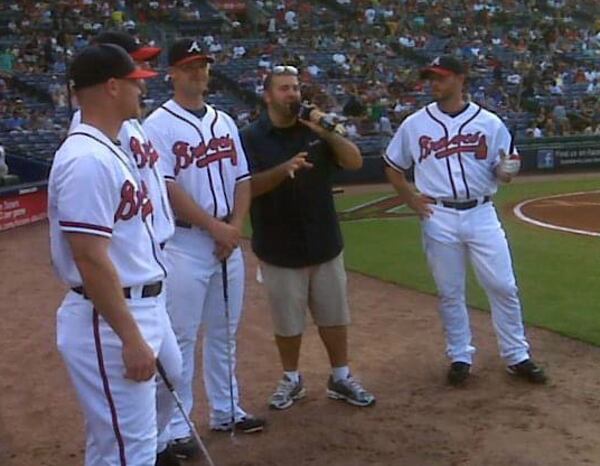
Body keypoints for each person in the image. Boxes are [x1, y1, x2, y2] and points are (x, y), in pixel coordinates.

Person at [48, 44, 182, 466]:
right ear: (111, 87)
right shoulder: (86, 159)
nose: (141, 91)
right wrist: (129, 338)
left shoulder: (108, 148)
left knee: (128, 437)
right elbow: (89, 259)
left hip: (140, 303)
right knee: (130, 451)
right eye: (133, 83)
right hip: (108, 318)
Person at [383, 56, 547, 387]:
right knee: (450, 291)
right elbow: (393, 165)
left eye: (441, 77)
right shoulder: (415, 124)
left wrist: (506, 172)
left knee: (503, 285)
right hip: (438, 214)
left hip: (482, 211)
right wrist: (410, 198)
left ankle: (517, 355)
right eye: (431, 78)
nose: (434, 83)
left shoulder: (489, 122)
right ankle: (460, 356)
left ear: (460, 78)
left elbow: (506, 166)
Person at [143, 38, 265, 461]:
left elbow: (242, 179)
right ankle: (177, 428)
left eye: (203, 65)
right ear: (172, 73)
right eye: (190, 66)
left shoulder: (224, 120)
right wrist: (215, 226)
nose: (198, 72)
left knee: (225, 332)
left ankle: (227, 409)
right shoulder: (157, 125)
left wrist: (234, 227)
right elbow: (167, 186)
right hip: (184, 243)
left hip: (225, 241)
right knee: (180, 337)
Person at [240, 65, 375, 410]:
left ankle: (340, 376)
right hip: (278, 246)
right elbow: (245, 187)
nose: (292, 95)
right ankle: (291, 378)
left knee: (334, 316)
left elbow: (355, 161)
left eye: (296, 88)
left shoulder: (314, 131)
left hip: (324, 242)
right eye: (284, 89)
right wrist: (282, 170)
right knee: (288, 322)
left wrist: (327, 132)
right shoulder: (251, 137)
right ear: (267, 95)